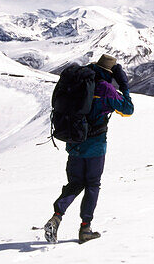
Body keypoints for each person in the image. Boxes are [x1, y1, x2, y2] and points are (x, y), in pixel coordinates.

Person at [44, 54, 133, 243]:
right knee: (92, 185)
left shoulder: (79, 83)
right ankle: (85, 229)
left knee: (75, 183)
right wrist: (123, 85)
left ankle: (57, 216)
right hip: (95, 146)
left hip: (74, 142)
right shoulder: (106, 89)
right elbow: (128, 110)